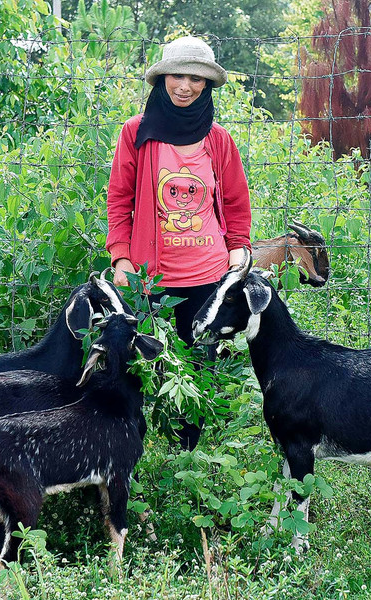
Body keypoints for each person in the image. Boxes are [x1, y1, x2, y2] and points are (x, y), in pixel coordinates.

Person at [105, 36, 252, 448]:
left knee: (199, 369)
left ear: (207, 85)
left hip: (207, 277)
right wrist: (121, 258)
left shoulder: (218, 140)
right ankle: (134, 450)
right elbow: (120, 200)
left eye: (195, 78)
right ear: (161, 78)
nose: (184, 86)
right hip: (151, 279)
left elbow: (237, 201)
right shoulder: (136, 133)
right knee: (141, 367)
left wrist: (238, 245)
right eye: (177, 75)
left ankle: (186, 457)